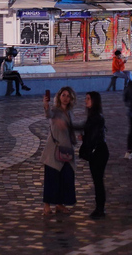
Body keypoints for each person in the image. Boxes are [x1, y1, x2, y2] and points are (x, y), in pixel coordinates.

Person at [41, 86, 77, 215]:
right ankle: (46, 205)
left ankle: (60, 204)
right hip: (54, 150)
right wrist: (46, 105)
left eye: (68, 96)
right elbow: (48, 115)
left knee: (66, 178)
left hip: (67, 149)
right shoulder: (55, 111)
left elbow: (71, 127)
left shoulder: (70, 112)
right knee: (51, 178)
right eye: (63, 95)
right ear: (59, 97)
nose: (66, 98)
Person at [80, 91, 109, 219]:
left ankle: (100, 209)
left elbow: (93, 138)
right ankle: (99, 208)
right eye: (86, 98)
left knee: (98, 181)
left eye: (88, 99)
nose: (86, 101)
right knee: (98, 181)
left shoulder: (96, 117)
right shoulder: (94, 116)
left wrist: (84, 139)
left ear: (94, 101)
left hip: (98, 152)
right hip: (99, 151)